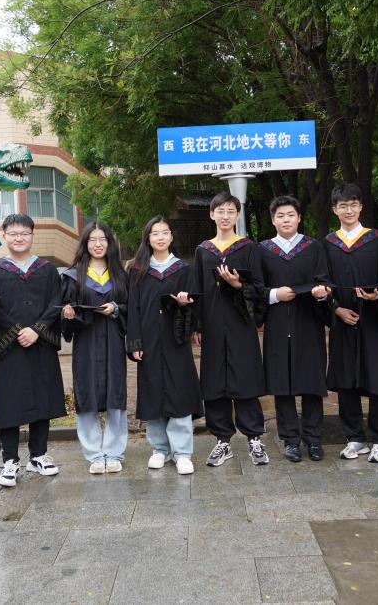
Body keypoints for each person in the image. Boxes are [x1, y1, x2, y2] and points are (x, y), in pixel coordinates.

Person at [0, 214, 66, 488]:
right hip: (8, 345)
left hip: (40, 343)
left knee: (42, 397)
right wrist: (19, 330)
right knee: (8, 401)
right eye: (13, 233)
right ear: (4, 236)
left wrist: (37, 330)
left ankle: (39, 455)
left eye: (24, 233)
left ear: (32, 235)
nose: (19, 238)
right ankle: (10, 460)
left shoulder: (47, 269)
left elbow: (56, 302)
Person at [192, 192, 269, 467]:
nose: (225, 216)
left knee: (245, 378)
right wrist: (198, 325)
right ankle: (222, 440)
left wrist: (238, 286)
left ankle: (254, 438)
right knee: (214, 382)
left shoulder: (248, 248)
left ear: (237, 215)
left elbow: (259, 288)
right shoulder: (203, 251)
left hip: (240, 323)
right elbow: (198, 289)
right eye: (220, 211)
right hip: (212, 325)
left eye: (230, 211)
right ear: (211, 214)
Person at [322, 183, 378, 463]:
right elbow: (322, 281)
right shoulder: (328, 243)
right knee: (345, 380)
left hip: (372, 319)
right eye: (343, 206)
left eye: (353, 204)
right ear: (334, 210)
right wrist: (336, 309)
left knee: (376, 378)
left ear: (361, 207)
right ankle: (354, 438)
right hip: (342, 321)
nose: (348, 210)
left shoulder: (377, 239)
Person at [126, 216, 203, 475]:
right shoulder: (137, 271)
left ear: (171, 236)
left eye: (165, 232)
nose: (160, 237)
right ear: (148, 238)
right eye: (155, 233)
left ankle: (182, 452)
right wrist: (134, 341)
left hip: (175, 340)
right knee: (153, 392)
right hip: (148, 341)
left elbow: (194, 307)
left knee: (179, 392)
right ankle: (159, 449)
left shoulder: (183, 270)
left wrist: (185, 304)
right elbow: (133, 310)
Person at [258, 195, 331, 463]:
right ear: (273, 220)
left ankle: (313, 439)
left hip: (308, 321)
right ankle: (290, 440)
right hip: (278, 322)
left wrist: (322, 293)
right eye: (280, 216)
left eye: (291, 215)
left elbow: (324, 280)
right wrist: (275, 294)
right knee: (282, 382)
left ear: (299, 218)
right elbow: (256, 288)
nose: (286, 220)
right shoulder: (263, 250)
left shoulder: (314, 247)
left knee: (311, 380)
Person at [62, 222, 129, 474]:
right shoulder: (72, 276)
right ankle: (94, 454)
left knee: (115, 394)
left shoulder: (120, 275)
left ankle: (114, 452)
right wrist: (68, 314)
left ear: (110, 243)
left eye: (103, 239)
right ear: (85, 244)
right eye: (93, 240)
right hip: (86, 343)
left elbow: (131, 309)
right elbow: (64, 311)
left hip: (113, 341)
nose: (98, 244)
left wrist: (116, 309)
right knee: (86, 394)